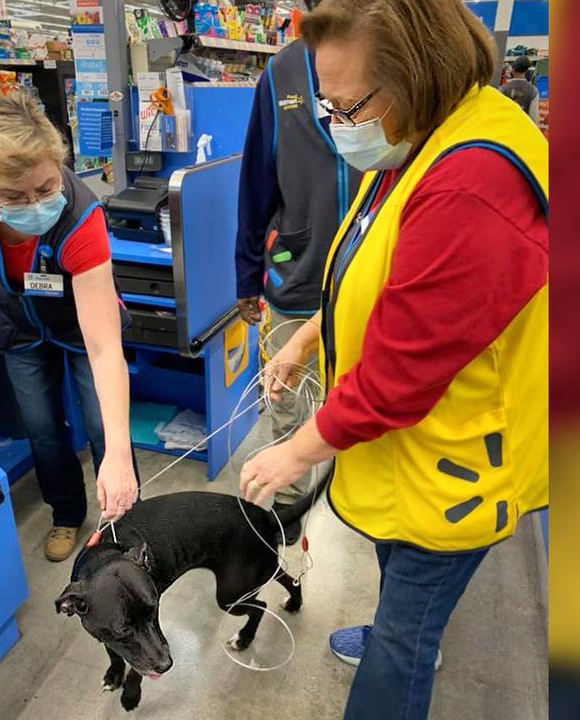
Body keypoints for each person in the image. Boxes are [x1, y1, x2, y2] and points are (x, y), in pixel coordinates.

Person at [237, 0, 548, 718]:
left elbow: (398, 378)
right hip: (416, 461)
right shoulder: (423, 138)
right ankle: (398, 628)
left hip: (458, 472)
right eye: (327, 106)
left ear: (417, 76)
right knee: (402, 598)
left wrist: (293, 453)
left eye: (348, 106)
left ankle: (401, 644)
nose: (337, 123)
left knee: (402, 650)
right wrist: (307, 336)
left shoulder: (472, 182)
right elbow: (375, 275)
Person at [0, 89, 138, 562]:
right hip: (16, 324)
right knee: (42, 428)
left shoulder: (81, 219)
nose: (34, 204)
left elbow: (106, 350)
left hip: (79, 324)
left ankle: (125, 527)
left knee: (105, 428)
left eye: (46, 188)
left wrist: (121, 459)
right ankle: (66, 514)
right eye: (13, 196)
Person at [234, 0, 360, 541]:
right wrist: (246, 277)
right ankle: (287, 523)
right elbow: (256, 180)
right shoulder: (281, 71)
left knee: (363, 399)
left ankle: (359, 506)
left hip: (367, 276)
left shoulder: (387, 57)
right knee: (288, 405)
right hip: (295, 273)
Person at [501, 55, 540, 125]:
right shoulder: (533, 91)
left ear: (513, 70)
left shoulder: (503, 89)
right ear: (526, 71)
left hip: (506, 129)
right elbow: (534, 118)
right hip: (523, 130)